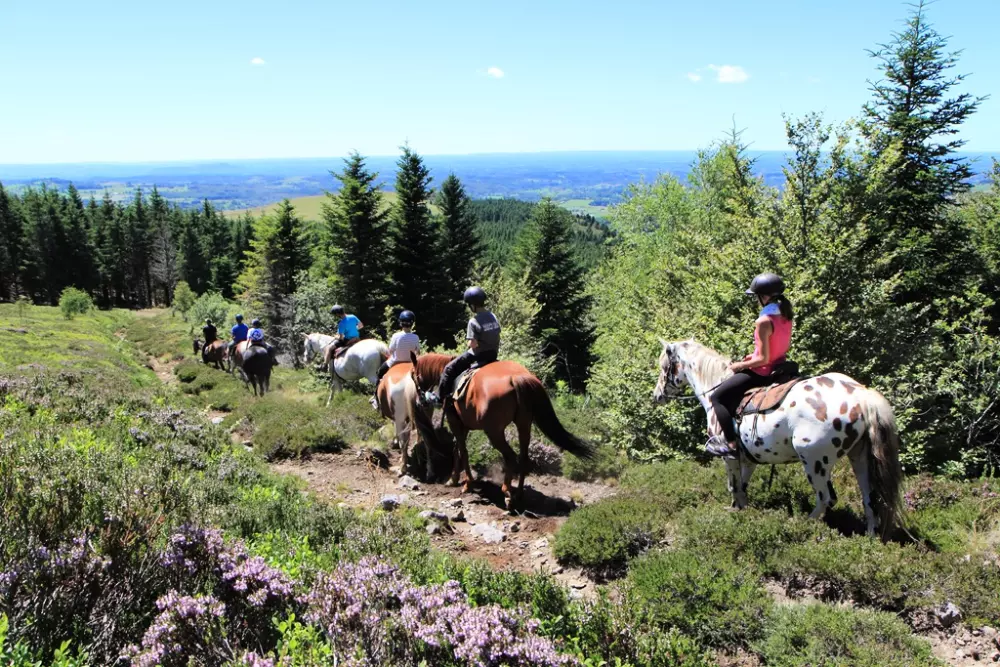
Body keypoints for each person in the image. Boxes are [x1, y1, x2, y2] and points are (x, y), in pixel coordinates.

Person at [705, 273, 795, 458]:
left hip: (763, 371)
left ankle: (730, 444)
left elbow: (763, 359)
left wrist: (738, 365)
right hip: (781, 365)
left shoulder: (763, 321)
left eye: (756, 297)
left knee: (717, 398)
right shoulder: (786, 315)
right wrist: (752, 356)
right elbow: (783, 345)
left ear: (764, 297)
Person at [424, 286, 501, 406]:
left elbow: (473, 344)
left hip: (479, 355)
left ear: (472, 305)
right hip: (493, 353)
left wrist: (469, 343)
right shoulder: (493, 316)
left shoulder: (473, 321)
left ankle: (439, 399)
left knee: (448, 369)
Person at [371, 310, 421, 407]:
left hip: (394, 363)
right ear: (412, 323)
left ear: (400, 323)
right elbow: (417, 352)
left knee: (379, 373)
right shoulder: (415, 337)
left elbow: (390, 351)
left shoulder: (396, 336)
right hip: (410, 364)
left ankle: (376, 398)